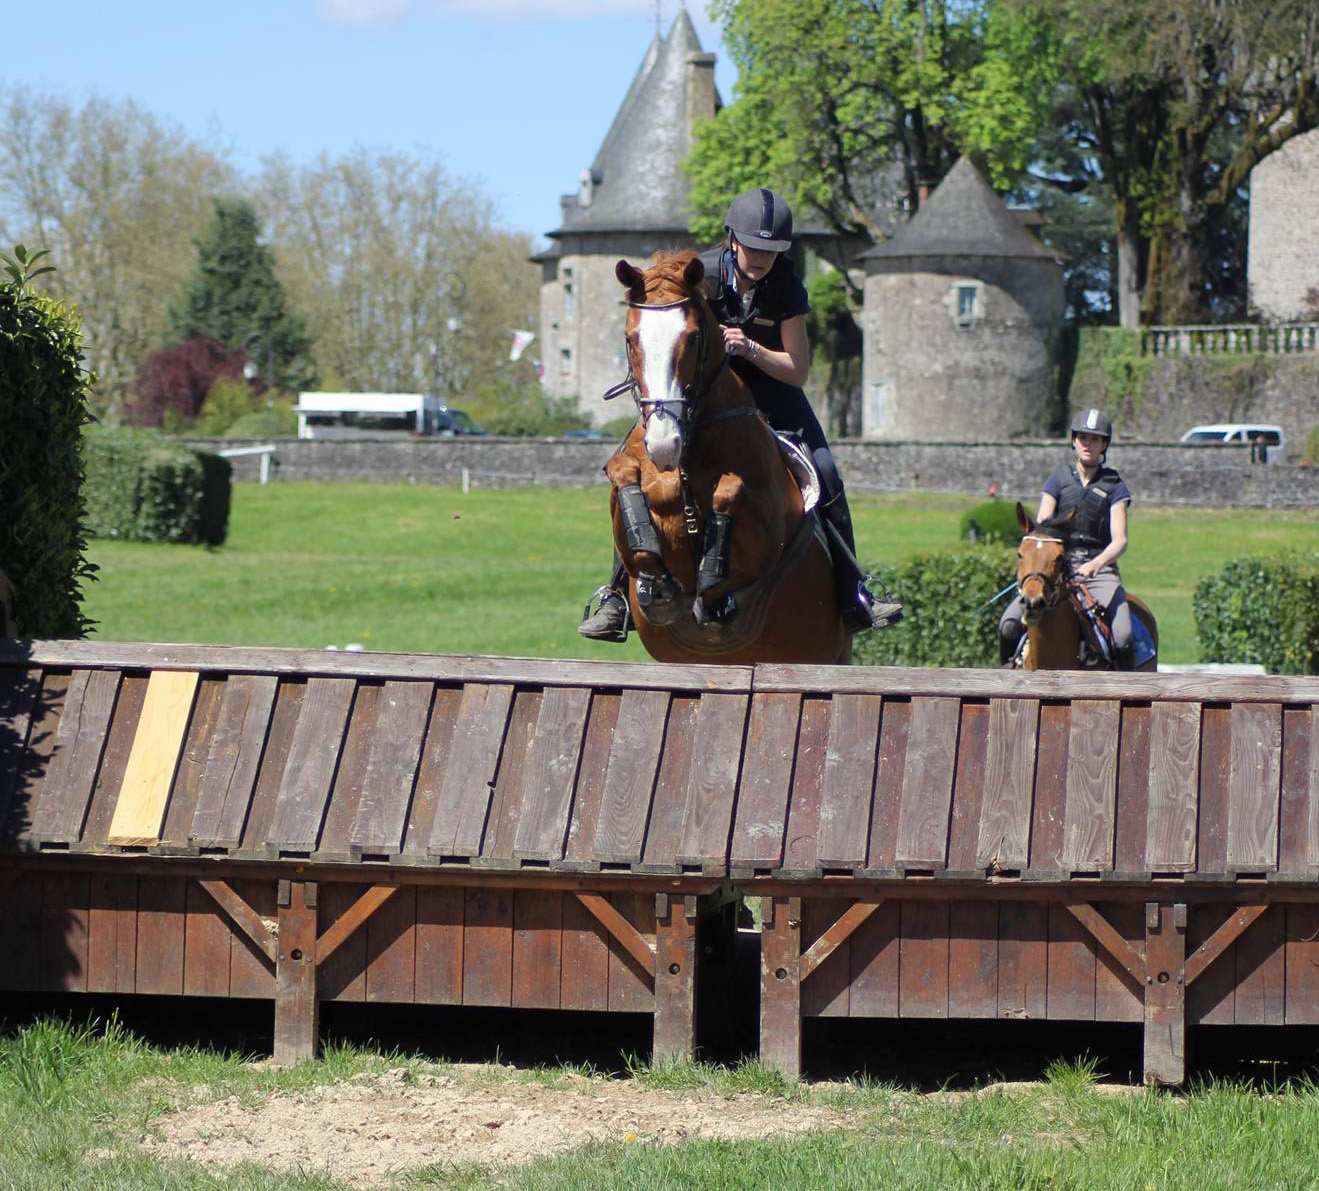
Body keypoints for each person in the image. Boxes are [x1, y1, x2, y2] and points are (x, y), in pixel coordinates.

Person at [579, 187, 902, 641]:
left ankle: (854, 591)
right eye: (754, 246)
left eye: (771, 249)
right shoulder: (702, 273)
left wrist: (751, 349)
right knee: (633, 469)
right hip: (703, 398)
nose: (762, 256)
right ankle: (616, 596)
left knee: (826, 470)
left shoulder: (787, 285)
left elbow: (798, 370)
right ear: (732, 239)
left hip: (773, 393)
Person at [999, 408, 1134, 668]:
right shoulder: (1058, 480)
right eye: (1083, 437)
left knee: (1123, 635)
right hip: (1057, 566)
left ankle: (1130, 693)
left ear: (1104, 444)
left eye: (1095, 439)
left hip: (1099, 570)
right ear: (1073, 440)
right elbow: (1042, 528)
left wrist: (1095, 565)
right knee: (1008, 624)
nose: (1088, 444)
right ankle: (1005, 675)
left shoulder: (1115, 485)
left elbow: (1120, 541)